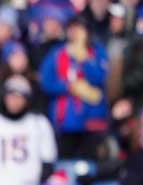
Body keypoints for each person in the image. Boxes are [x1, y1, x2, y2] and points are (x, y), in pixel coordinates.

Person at [40, 16, 109, 159]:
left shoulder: (97, 52)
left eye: (79, 29)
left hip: (92, 120)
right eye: (72, 29)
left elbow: (100, 78)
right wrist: (69, 87)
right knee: (65, 163)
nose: (75, 33)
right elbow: (46, 82)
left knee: (90, 165)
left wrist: (85, 59)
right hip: (66, 121)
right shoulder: (57, 53)